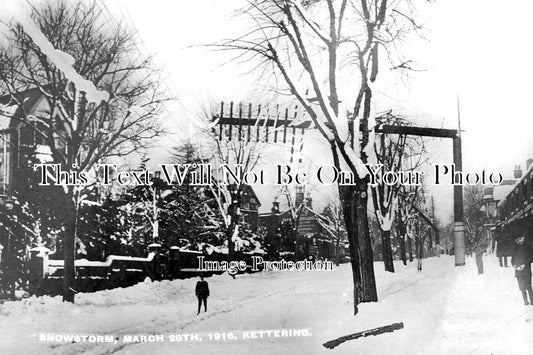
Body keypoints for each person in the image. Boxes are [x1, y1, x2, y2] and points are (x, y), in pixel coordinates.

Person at [511, 235, 533, 305]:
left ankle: (532, 301)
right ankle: (525, 301)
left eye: (520, 239)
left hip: (526, 270)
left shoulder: (527, 247)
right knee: (522, 287)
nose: (519, 241)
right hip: (518, 271)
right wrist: (514, 264)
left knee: (528, 287)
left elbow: (531, 258)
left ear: (523, 238)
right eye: (517, 240)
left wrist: (525, 264)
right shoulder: (515, 248)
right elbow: (513, 259)